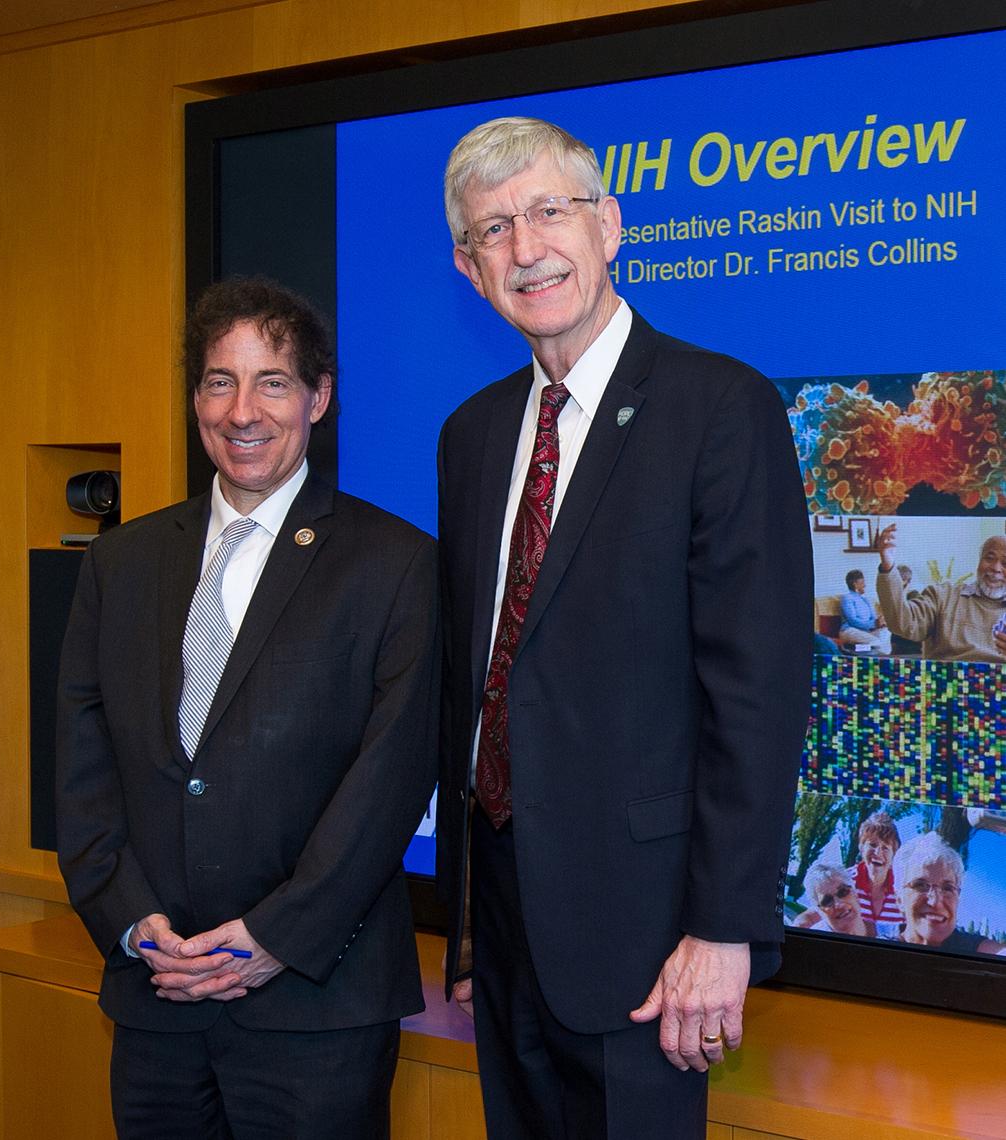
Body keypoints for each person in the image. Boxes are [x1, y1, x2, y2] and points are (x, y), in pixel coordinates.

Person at [435, 116, 813, 1140]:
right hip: (504, 922)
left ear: (608, 226)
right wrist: (466, 916)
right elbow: (477, 685)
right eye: (493, 230)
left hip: (652, 937)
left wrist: (722, 929)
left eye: (549, 212)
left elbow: (758, 694)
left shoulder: (720, 408)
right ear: (470, 269)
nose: (526, 248)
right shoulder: (471, 436)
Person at [56, 277, 439, 1139]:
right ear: (195, 398)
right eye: (219, 382)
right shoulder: (121, 564)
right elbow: (83, 769)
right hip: (157, 994)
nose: (242, 412)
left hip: (316, 1005)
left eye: (272, 382)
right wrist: (132, 924)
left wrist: (271, 939)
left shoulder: (394, 565)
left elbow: (390, 784)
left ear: (318, 397)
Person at [876, 523, 1006, 661]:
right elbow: (903, 623)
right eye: (989, 558)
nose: (996, 568)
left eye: (1005, 563)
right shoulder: (944, 597)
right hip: (946, 673)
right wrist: (888, 566)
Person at [887, 833, 1006, 955]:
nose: (935, 902)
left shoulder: (973, 949)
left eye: (947, 888)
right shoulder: (880, 952)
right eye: (920, 885)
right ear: (899, 899)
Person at [794, 810, 901, 929]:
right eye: (872, 845)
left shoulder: (903, 888)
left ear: (894, 854)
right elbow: (811, 916)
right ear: (861, 848)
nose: (877, 853)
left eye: (885, 848)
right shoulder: (843, 881)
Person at [801, 863, 873, 936]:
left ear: (855, 894)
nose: (839, 904)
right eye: (827, 901)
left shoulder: (879, 930)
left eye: (843, 892)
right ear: (819, 911)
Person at [837, 569, 891, 653]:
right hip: (850, 630)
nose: (865, 585)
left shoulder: (865, 599)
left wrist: (880, 622)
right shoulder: (847, 598)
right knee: (878, 643)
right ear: (855, 584)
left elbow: (874, 618)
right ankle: (877, 654)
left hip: (866, 632)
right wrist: (874, 624)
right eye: (862, 583)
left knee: (887, 632)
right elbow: (853, 621)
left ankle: (855, 649)